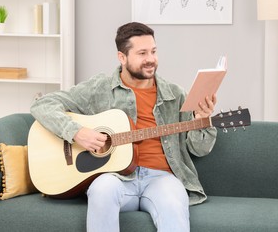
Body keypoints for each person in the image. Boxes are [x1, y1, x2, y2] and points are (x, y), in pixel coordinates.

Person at [30, 22, 217, 232]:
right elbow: (42, 104)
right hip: (116, 178)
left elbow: (199, 149)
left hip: (162, 178)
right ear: (122, 57)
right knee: (102, 190)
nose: (151, 59)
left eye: (154, 51)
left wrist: (202, 119)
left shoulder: (175, 94)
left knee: (174, 203)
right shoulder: (99, 88)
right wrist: (77, 133)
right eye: (142, 53)